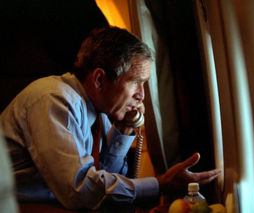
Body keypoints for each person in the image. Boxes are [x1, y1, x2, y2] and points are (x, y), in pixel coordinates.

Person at [0, 26, 221, 210]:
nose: (141, 95)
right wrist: (160, 184)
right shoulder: (54, 99)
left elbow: (104, 179)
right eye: (136, 82)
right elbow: (79, 191)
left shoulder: (101, 111)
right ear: (99, 80)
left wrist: (124, 129)